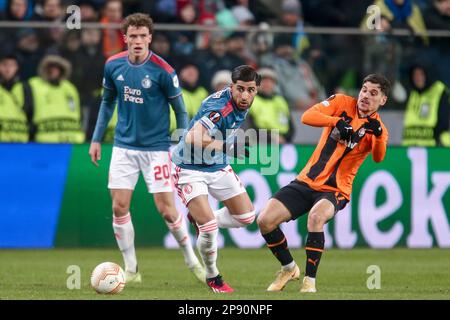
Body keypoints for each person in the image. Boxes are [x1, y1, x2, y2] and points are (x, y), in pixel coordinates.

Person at [88, 13, 205, 285]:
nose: (138, 41)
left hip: (156, 149)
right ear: (125, 38)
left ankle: (192, 260)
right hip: (123, 148)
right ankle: (131, 269)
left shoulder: (164, 71)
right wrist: (96, 139)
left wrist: (182, 141)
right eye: (133, 36)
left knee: (166, 210)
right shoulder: (113, 65)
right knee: (119, 207)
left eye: (143, 36)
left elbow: (180, 110)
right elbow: (107, 103)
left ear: (149, 38)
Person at [257, 74, 390, 293]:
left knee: (316, 217)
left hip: (336, 189)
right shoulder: (340, 102)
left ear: (383, 100)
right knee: (265, 220)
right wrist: (336, 121)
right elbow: (307, 116)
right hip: (307, 181)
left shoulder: (378, 128)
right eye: (364, 89)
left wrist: (376, 136)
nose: (365, 95)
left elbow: (378, 157)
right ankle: (289, 268)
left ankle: (309, 282)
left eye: (373, 93)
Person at [171, 65, 261, 293]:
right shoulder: (219, 108)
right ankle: (213, 276)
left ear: (256, 90)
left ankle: (200, 218)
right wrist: (227, 146)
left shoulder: (244, 102)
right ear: (231, 87)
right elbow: (192, 137)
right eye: (240, 89)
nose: (245, 95)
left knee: (247, 217)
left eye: (250, 90)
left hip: (217, 164)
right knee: (209, 227)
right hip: (189, 167)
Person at [402, 63, 450, 147]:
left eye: (421, 74)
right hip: (410, 149)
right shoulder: (412, 93)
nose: (417, 78)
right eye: (415, 75)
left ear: (428, 74)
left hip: (434, 149)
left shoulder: (440, 91)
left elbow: (444, 121)